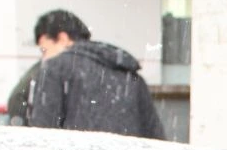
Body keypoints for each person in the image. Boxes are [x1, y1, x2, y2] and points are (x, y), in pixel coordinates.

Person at [26, 9, 165, 140]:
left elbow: (43, 133)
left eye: (44, 49)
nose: (44, 57)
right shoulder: (129, 73)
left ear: (63, 38)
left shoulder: (55, 68)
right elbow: (155, 135)